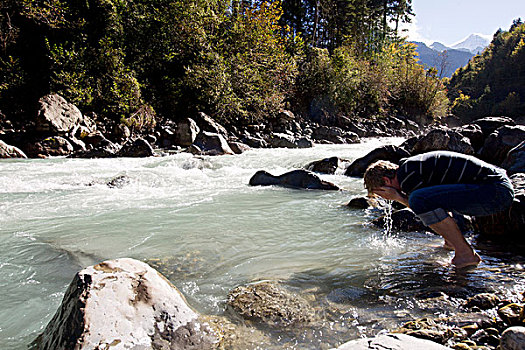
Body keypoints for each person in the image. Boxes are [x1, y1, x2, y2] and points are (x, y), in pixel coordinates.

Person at [363, 150, 514, 268]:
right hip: (497, 187)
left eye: (381, 192)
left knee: (418, 199)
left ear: (386, 181)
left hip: (495, 192)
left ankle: (465, 254)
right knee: (424, 198)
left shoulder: (407, 176)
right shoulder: (410, 168)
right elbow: (438, 204)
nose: (384, 198)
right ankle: (451, 242)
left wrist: (398, 197)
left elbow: (421, 206)